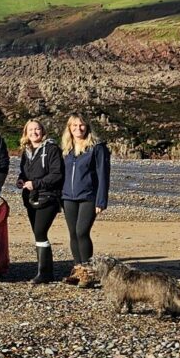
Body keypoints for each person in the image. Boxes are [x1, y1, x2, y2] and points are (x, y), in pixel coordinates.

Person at [60, 114, 110, 272]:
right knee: (73, 234)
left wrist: (101, 201)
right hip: (68, 197)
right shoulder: (66, 149)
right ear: (69, 128)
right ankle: (78, 269)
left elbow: (103, 175)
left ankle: (88, 270)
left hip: (89, 197)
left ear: (87, 127)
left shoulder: (97, 147)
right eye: (74, 125)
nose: (78, 128)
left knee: (82, 232)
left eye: (81, 125)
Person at [16, 119, 63, 284]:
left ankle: (45, 272)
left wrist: (36, 183)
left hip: (48, 196)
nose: (34, 132)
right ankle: (44, 271)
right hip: (31, 198)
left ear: (43, 131)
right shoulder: (26, 151)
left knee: (40, 232)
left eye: (37, 129)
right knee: (38, 233)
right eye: (30, 130)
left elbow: (57, 174)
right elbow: (24, 172)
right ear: (26, 133)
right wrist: (21, 180)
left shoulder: (52, 149)